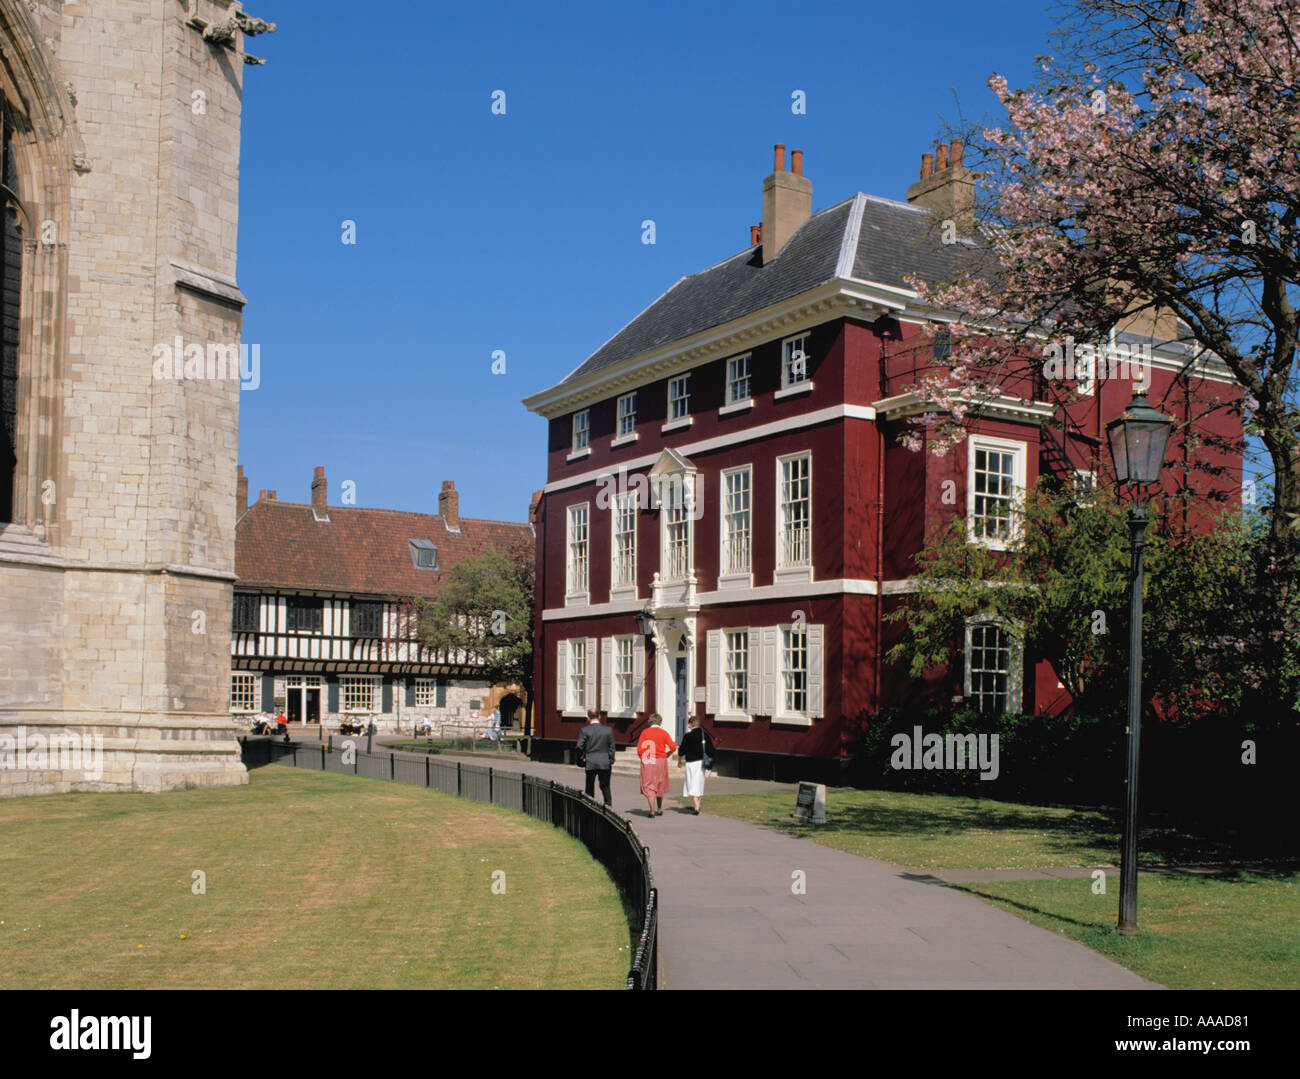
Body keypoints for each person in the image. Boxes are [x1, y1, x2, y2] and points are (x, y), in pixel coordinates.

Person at [636, 713, 677, 817]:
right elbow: (673, 746)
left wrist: (642, 758)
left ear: (650, 721)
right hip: (661, 760)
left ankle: (651, 810)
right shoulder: (663, 733)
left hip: (648, 758)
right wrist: (668, 754)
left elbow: (640, 749)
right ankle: (659, 808)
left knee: (649, 784)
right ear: (660, 721)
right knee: (660, 783)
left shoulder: (645, 732)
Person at [676, 715, 716, 815]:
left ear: (691, 723)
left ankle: (696, 807)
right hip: (701, 763)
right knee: (699, 782)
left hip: (690, 762)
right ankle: (697, 804)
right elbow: (711, 750)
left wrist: (679, 761)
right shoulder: (704, 735)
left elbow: (681, 750)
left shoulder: (688, 736)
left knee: (692, 783)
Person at [574, 708, 615, 806]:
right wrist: (611, 759)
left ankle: (590, 807)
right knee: (605, 786)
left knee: (589, 786)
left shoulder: (585, 730)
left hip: (590, 761)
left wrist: (581, 758)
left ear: (588, 718)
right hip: (604, 761)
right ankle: (608, 805)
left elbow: (579, 746)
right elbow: (611, 746)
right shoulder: (608, 730)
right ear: (599, 717)